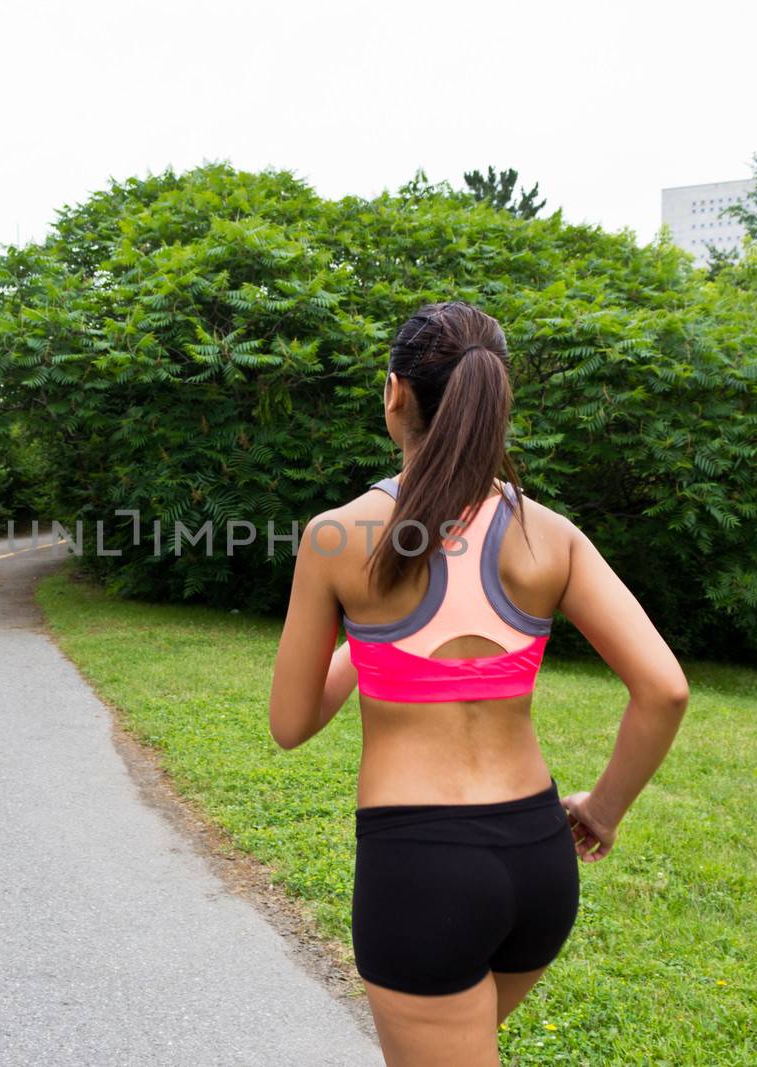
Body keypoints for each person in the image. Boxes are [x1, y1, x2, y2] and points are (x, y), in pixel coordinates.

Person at [268, 301, 690, 1067]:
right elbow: (664, 689)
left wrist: (370, 633)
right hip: (537, 860)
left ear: (394, 392)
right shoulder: (550, 535)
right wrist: (604, 807)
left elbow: (291, 722)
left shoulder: (335, 535)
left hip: (423, 870)